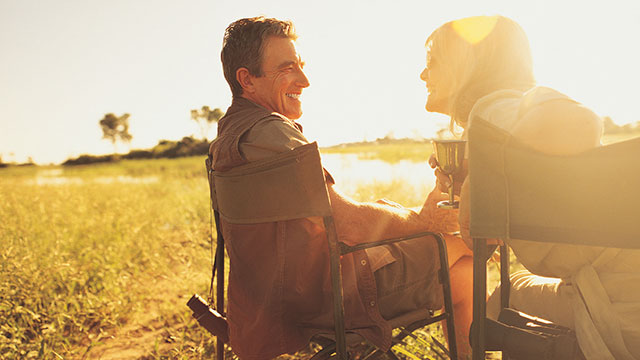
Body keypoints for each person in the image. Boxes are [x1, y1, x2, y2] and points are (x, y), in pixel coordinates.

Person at [210, 16, 471, 360]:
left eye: (301, 65)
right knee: (463, 259)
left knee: (435, 242)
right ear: (247, 79)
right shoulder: (272, 133)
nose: (304, 80)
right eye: (287, 68)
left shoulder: (227, 137)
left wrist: (407, 217)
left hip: (269, 298)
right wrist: (424, 223)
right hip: (325, 296)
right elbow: (349, 223)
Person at [421, 15, 640, 359]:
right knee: (511, 293)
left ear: (465, 65)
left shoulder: (494, 108)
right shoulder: (501, 119)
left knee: (502, 302)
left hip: (623, 311)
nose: (423, 75)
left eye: (432, 63)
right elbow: (490, 236)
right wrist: (486, 182)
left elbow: (580, 124)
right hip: (619, 290)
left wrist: (481, 171)